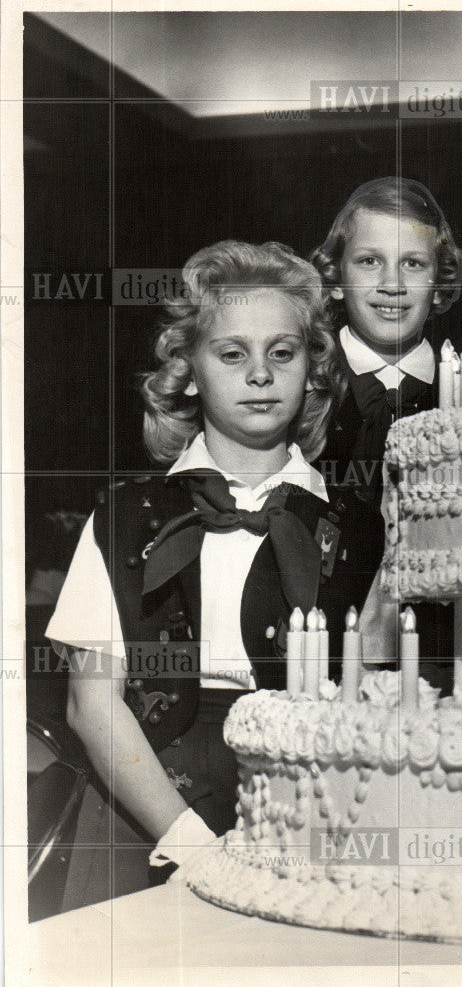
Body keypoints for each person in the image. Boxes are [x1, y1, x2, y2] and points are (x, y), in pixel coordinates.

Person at [47, 240, 380, 881]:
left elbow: (371, 705)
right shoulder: (124, 518)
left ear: (312, 370)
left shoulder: (360, 532)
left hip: (304, 812)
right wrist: (194, 846)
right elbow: (91, 706)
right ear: (190, 370)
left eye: (282, 353)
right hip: (139, 811)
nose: (260, 374)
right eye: (232, 354)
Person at [311, 178, 462, 687]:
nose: (392, 284)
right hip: (308, 660)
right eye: (369, 261)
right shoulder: (295, 389)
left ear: (440, 282)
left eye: (413, 264)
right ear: (335, 277)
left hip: (439, 664)